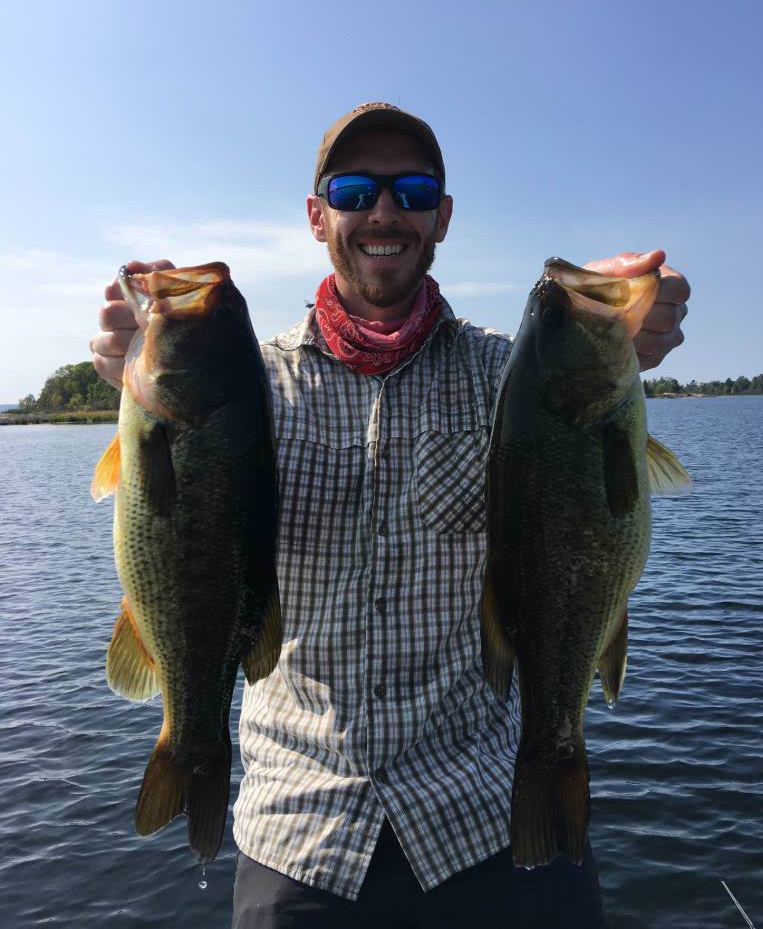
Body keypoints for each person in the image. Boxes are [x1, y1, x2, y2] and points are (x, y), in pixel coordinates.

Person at [90, 102, 690, 928]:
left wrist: (629, 325)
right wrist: (132, 354)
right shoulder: (247, 382)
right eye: (353, 189)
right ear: (316, 216)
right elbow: (178, 501)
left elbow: (573, 421)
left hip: (486, 805)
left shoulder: (505, 375)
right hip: (301, 829)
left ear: (442, 217)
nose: (383, 211)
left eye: (412, 191)